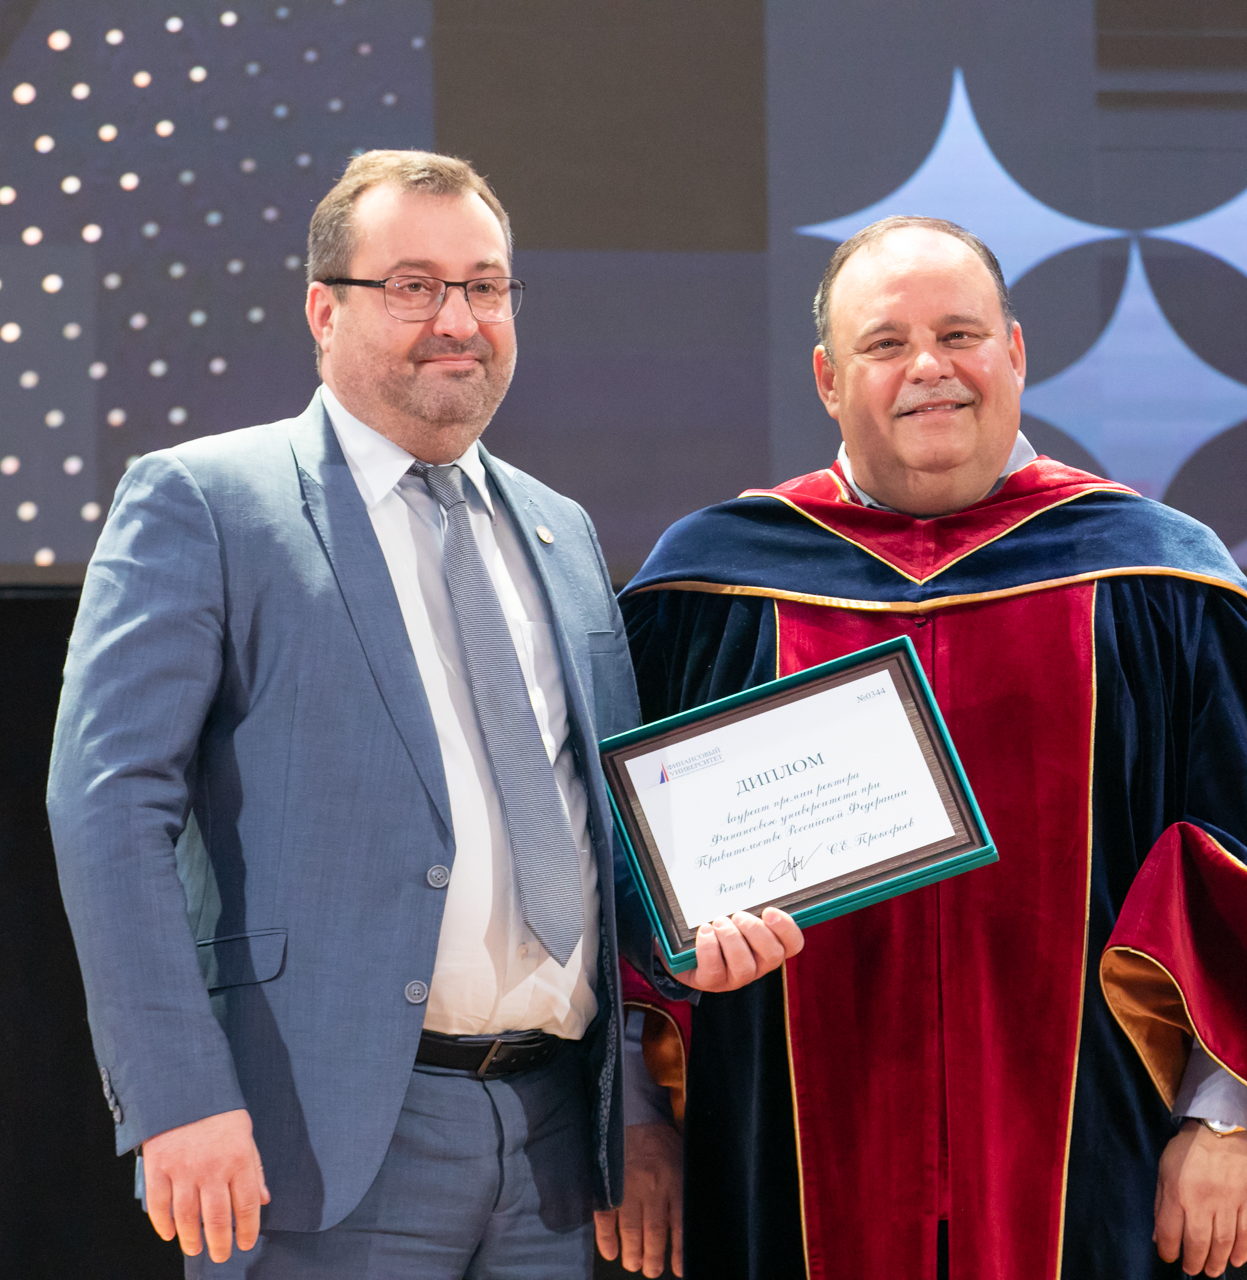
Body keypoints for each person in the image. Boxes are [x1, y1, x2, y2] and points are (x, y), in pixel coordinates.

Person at [46, 149, 796, 1278]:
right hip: (318, 1132)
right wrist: (177, 1094)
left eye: (485, 286)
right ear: (323, 309)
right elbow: (106, 806)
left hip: (557, 1140)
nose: (458, 319)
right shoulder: (207, 501)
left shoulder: (560, 531)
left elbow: (601, 840)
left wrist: (657, 1054)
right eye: (412, 286)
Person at [619, 216, 1247, 1278]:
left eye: (960, 334)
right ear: (827, 378)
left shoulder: (1157, 580)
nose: (929, 368)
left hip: (1094, 1153)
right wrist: (634, 1118)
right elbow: (605, 880)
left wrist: (1227, 1120)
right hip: (780, 1150)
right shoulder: (710, 588)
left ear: (1016, 352)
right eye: (886, 343)